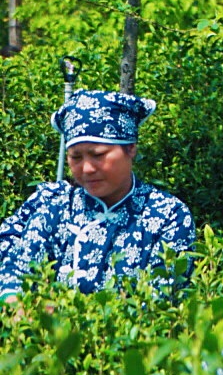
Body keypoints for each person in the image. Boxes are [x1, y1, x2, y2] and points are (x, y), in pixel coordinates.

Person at [0, 91, 193, 300]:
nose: (87, 168)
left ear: (131, 148)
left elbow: (163, 299)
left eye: (98, 155)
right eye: (76, 157)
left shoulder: (168, 215)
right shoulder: (54, 204)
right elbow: (18, 272)